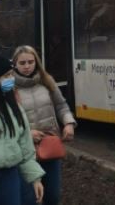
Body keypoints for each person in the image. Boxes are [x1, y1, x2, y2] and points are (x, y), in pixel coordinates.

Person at [0, 52, 45, 205]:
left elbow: (24, 145)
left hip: (9, 179)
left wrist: (34, 178)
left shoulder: (12, 105)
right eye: (6, 76)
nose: (11, 79)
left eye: (11, 74)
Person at [12, 45, 77, 205]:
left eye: (30, 62)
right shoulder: (9, 87)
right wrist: (28, 132)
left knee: (52, 196)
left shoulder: (47, 81)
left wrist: (68, 122)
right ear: (15, 64)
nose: (27, 66)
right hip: (24, 152)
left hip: (49, 146)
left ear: (36, 62)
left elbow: (61, 105)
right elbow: (8, 120)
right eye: (22, 63)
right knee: (29, 198)